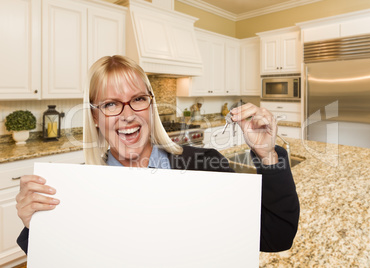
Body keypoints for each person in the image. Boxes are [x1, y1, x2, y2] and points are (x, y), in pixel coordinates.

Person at [16, 55, 300, 254]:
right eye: (111, 104)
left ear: (150, 106)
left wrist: (267, 155)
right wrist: (38, 225)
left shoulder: (204, 165)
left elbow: (277, 235)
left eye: (138, 99)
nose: (128, 115)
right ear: (94, 117)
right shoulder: (74, 189)